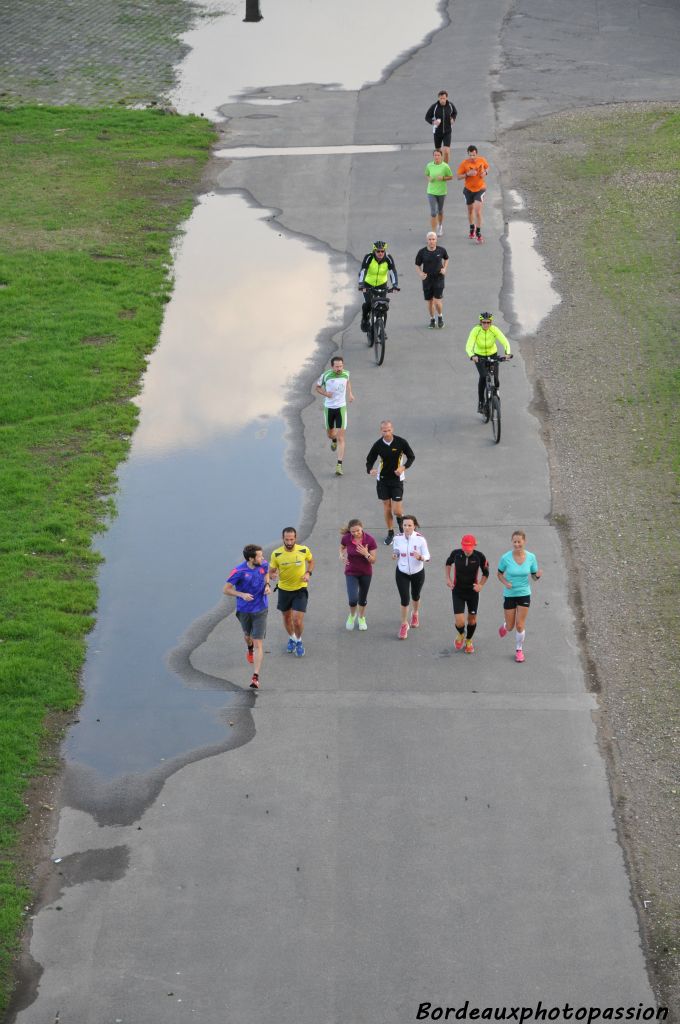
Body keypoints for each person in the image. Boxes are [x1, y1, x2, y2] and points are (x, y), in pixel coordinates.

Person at [223, 544, 271, 689]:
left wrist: (267, 584)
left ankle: (255, 677)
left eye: (262, 555)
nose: (263, 558)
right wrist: (241, 594)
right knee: (247, 637)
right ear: (251, 558)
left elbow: (266, 572)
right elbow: (226, 590)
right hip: (244, 610)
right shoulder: (239, 571)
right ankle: (249, 648)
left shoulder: (263, 564)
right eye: (259, 556)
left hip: (261, 608)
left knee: (258, 643)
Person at [365, 420, 416, 545]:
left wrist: (403, 467)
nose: (386, 433)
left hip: (397, 480)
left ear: (392, 429)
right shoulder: (378, 445)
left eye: (388, 430)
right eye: (384, 430)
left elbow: (411, 456)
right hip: (382, 480)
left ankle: (400, 522)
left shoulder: (401, 442)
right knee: (387, 507)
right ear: (381, 431)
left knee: (397, 511)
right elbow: (369, 459)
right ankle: (391, 532)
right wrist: (370, 469)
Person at [497, 530, 543, 663]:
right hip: (510, 594)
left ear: (524, 541)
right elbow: (499, 574)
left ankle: (519, 650)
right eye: (514, 542)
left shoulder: (531, 557)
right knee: (511, 626)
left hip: (524, 593)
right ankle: (506, 626)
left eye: (519, 541)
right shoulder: (505, 558)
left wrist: (537, 576)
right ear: (512, 542)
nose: (517, 544)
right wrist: (506, 582)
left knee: (520, 624)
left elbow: (534, 577)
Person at [269, 527, 315, 658]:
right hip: (284, 590)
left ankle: (299, 641)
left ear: (295, 538)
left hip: (300, 589)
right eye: (286, 539)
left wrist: (308, 572)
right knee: (287, 618)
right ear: (283, 539)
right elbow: (271, 571)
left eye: (291, 539)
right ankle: (292, 638)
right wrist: (272, 575)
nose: (289, 542)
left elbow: (311, 561)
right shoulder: (276, 554)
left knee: (297, 620)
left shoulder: (303, 550)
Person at [445, 534, 489, 654]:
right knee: (459, 621)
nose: (466, 550)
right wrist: (448, 579)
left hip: (472, 592)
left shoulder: (480, 556)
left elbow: (486, 572)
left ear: (474, 545)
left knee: (472, 620)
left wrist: (480, 585)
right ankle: (461, 634)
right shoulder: (456, 554)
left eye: (469, 548)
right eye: (464, 547)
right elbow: (448, 563)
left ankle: (469, 640)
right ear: (461, 545)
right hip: (458, 591)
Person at [315, 355, 354, 476]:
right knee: (330, 434)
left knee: (342, 437)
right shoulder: (326, 376)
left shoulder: (346, 373)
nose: (339, 368)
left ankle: (339, 465)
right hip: (329, 408)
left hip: (341, 408)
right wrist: (326, 393)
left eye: (341, 366)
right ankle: (333, 440)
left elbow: (347, 382)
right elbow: (317, 387)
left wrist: (350, 394)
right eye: (337, 366)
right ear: (332, 367)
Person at [465, 312, 512, 414]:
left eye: (488, 322)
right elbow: (469, 345)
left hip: (492, 355)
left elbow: (505, 341)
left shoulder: (494, 330)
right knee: (483, 376)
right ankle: (481, 402)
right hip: (479, 356)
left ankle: (496, 396)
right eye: (484, 322)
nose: (486, 325)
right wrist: (472, 356)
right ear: (480, 322)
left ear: (491, 323)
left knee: (495, 378)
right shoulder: (475, 330)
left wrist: (507, 353)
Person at [392, 515, 430, 639]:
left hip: (417, 572)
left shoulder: (420, 539)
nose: (407, 528)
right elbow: (396, 549)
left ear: (414, 526)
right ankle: (404, 624)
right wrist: (395, 554)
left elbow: (427, 556)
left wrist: (421, 557)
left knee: (415, 595)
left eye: (409, 525)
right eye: (404, 525)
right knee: (404, 599)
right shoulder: (397, 538)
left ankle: (415, 614)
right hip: (402, 572)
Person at [339, 518, 378, 631]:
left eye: (358, 531)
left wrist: (366, 554)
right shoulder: (346, 538)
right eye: (353, 532)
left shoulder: (370, 540)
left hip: (365, 573)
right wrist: (341, 555)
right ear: (349, 531)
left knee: (362, 598)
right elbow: (342, 547)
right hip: (351, 572)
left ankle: (361, 617)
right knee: (352, 599)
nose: (355, 533)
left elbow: (374, 560)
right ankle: (352, 616)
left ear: (362, 528)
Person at [358, 241, 399, 334]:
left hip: (382, 284)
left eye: (382, 251)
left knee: (383, 307)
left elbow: (393, 272)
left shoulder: (388, 258)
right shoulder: (368, 257)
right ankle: (365, 319)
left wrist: (395, 285)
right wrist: (361, 284)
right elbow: (363, 270)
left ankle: (382, 330)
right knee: (368, 304)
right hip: (368, 284)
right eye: (378, 251)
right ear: (374, 251)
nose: (380, 253)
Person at [415, 231, 449, 329]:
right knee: (429, 301)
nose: (431, 241)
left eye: (433, 239)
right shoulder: (422, 252)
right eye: (429, 239)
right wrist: (420, 273)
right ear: (427, 240)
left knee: (437, 301)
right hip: (427, 280)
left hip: (439, 278)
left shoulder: (441, 250)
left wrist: (444, 268)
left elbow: (446, 258)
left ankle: (440, 317)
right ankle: (432, 319)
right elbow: (417, 265)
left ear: (436, 240)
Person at [456, 145, 490, 243]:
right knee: (470, 211)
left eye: (474, 155)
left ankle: (479, 233)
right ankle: (472, 228)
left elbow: (487, 168)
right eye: (470, 155)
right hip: (468, 190)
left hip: (480, 188)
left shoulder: (482, 160)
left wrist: (485, 173)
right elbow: (458, 177)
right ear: (468, 154)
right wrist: (467, 174)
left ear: (476, 154)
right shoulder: (464, 163)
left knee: (477, 211)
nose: (472, 157)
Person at [424, 149, 453, 237]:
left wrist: (443, 178)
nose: (436, 157)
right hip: (431, 191)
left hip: (441, 192)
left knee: (440, 211)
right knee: (433, 212)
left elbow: (450, 177)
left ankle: (440, 226)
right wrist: (429, 179)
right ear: (433, 156)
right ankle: (433, 232)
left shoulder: (445, 166)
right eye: (435, 155)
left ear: (441, 156)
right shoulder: (429, 165)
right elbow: (426, 174)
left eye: (438, 155)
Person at [424, 90, 458, 164]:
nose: (442, 100)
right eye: (441, 98)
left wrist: (453, 118)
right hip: (437, 132)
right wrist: (433, 122)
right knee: (438, 152)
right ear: (438, 98)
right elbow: (427, 117)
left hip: (447, 132)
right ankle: (439, 165)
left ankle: (445, 168)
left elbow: (455, 112)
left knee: (446, 151)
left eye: (444, 98)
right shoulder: (434, 107)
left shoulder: (450, 105)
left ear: (446, 98)